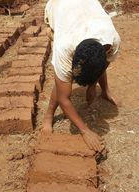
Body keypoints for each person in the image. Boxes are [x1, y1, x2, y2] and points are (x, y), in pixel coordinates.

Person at [42, 0, 121, 152]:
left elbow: (104, 64)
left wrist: (93, 86)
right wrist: (85, 131)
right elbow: (64, 97)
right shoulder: (64, 48)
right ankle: (48, 115)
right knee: (63, 82)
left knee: (96, 64)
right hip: (59, 5)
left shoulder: (113, 41)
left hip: (86, 7)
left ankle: (106, 92)